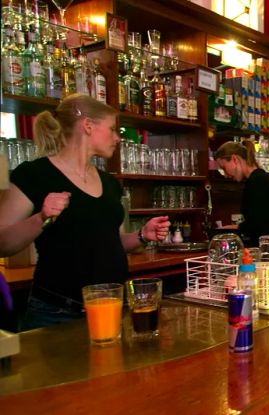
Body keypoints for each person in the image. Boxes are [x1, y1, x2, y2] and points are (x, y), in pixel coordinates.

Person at [0, 94, 171, 331]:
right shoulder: (34, 174)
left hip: (111, 307)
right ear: (88, 126)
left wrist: (142, 235)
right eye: (112, 129)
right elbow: (3, 243)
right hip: (57, 312)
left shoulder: (109, 182)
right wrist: (41, 218)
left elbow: (112, 242)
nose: (117, 138)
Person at [214, 140, 269, 246]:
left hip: (265, 250)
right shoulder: (260, 177)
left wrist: (237, 228)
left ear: (234, 159)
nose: (225, 175)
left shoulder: (256, 181)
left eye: (224, 168)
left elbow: (259, 224)